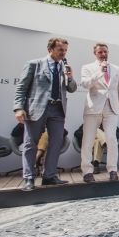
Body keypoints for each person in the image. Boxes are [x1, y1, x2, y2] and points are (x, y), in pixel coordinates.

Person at [13, 37, 76, 191]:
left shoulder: (64, 67)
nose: (63, 53)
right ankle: (29, 178)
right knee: (30, 143)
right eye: (60, 49)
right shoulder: (34, 64)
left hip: (58, 109)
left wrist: (70, 77)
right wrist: (18, 108)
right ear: (50, 49)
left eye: (65, 50)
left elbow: (72, 89)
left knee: (56, 143)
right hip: (37, 108)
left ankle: (49, 176)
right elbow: (21, 87)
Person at [80, 43, 119, 183]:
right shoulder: (87, 67)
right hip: (93, 107)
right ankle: (87, 171)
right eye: (100, 52)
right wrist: (100, 71)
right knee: (88, 140)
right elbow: (85, 84)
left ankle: (113, 169)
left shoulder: (117, 69)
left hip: (112, 107)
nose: (103, 54)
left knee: (111, 139)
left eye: (105, 52)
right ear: (95, 53)